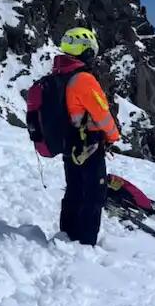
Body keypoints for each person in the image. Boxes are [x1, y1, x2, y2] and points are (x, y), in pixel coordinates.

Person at [51, 27, 122, 246]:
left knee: (74, 190)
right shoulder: (83, 79)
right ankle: (86, 242)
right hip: (88, 145)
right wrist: (113, 136)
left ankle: (67, 235)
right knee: (93, 194)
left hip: (69, 144)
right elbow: (102, 115)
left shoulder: (59, 73)